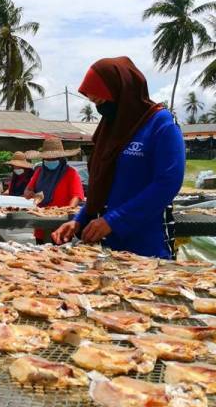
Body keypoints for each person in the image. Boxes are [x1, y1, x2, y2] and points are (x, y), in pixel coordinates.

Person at [52, 57, 185, 259]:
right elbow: (102, 186)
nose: (100, 109)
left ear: (123, 92)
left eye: (102, 101)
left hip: (148, 242)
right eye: (94, 103)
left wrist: (113, 220)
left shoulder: (161, 124)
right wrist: (79, 220)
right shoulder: (110, 129)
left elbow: (167, 183)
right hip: (107, 247)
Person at [24, 137, 84, 244]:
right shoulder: (39, 172)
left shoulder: (71, 173)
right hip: (41, 225)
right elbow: (27, 190)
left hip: (61, 225)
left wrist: (66, 211)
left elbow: (76, 196)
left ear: (60, 158)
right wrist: (30, 194)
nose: (50, 161)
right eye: (47, 159)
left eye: (53, 159)